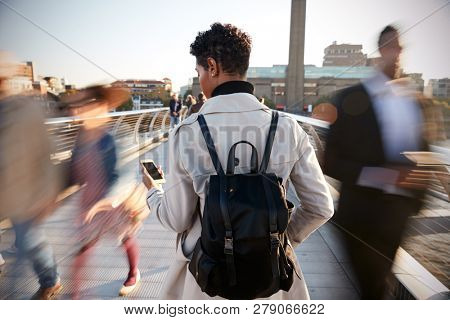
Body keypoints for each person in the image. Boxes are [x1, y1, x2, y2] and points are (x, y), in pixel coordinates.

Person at [143, 23, 333, 300]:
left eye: (198, 73)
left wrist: (152, 192)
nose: (200, 81)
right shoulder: (287, 127)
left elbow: (177, 218)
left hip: (207, 278)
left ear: (212, 66)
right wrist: (272, 240)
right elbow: (321, 207)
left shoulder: (188, 131)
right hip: (271, 279)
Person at [323, 25, 433, 299]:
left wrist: (413, 202)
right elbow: (331, 161)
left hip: (397, 215)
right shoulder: (350, 98)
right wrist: (381, 175)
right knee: (373, 288)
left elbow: (426, 155)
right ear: (380, 50)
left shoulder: (416, 103)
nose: (395, 54)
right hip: (360, 215)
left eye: (400, 47)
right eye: (390, 47)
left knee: (378, 287)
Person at [64, 85, 146, 298]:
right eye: (76, 104)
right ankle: (75, 295)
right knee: (84, 246)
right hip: (90, 201)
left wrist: (107, 201)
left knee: (125, 238)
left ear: (100, 106)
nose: (76, 109)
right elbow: (73, 173)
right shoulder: (81, 136)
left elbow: (123, 174)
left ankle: (133, 272)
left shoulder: (114, 135)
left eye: (83, 104)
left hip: (114, 201)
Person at [0, 52, 62, 299]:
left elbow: (46, 151)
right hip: (8, 194)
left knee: (30, 241)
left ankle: (51, 280)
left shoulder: (25, 109)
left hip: (25, 195)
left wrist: (48, 193)